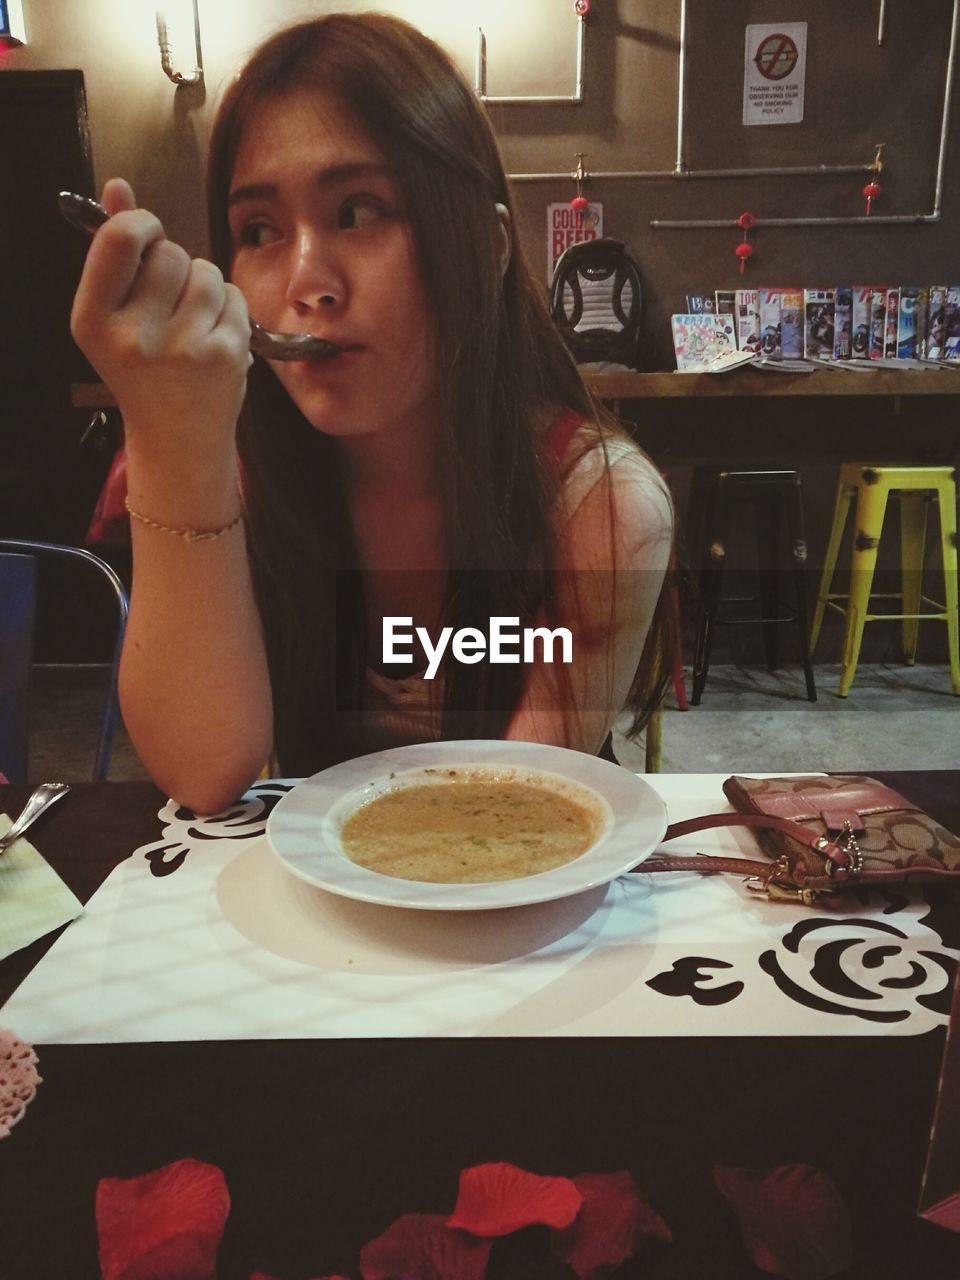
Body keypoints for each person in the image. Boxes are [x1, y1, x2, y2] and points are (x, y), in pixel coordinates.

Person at [71, 13, 673, 814]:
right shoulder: (240, 479)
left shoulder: (600, 509)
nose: (307, 280)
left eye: (358, 212)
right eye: (258, 230)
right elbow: (206, 774)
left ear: (488, 250)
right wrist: (171, 439)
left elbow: (506, 827)